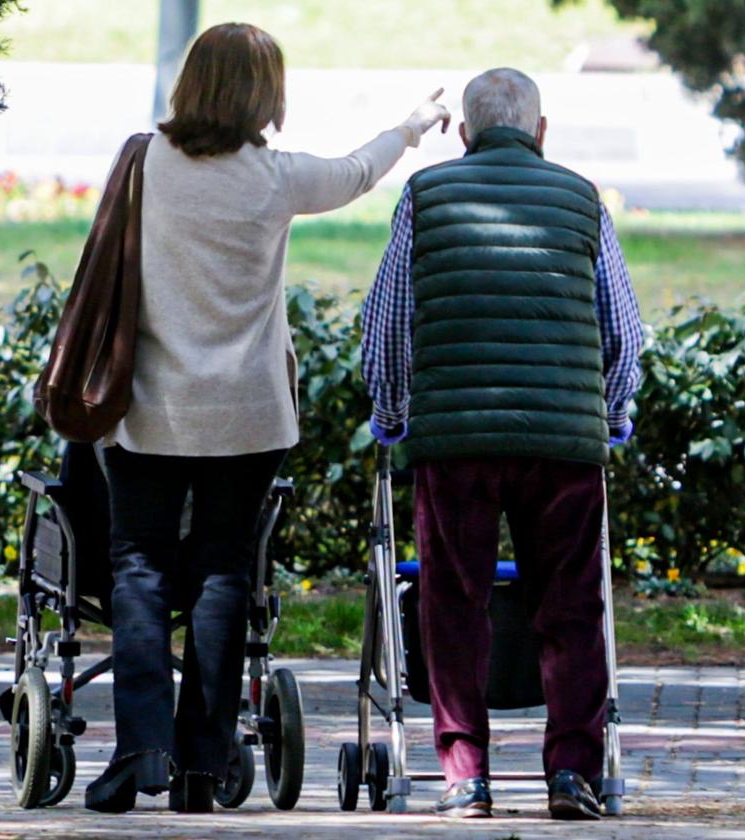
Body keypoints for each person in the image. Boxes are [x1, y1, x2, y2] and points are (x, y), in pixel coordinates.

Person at [85, 22, 450, 815]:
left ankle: (138, 748)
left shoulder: (145, 163)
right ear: (266, 94)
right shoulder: (275, 180)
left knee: (139, 572)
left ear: (191, 85)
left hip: (151, 410)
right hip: (248, 416)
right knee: (223, 574)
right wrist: (413, 128)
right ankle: (202, 770)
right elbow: (357, 171)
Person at [361, 67, 643, 820]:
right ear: (541, 131)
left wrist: (393, 412)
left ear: (463, 133)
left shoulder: (425, 197)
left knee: (455, 605)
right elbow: (622, 329)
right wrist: (612, 413)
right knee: (572, 608)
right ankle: (574, 774)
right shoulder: (584, 200)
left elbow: (389, 323)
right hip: (564, 444)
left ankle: (465, 777)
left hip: (456, 442)